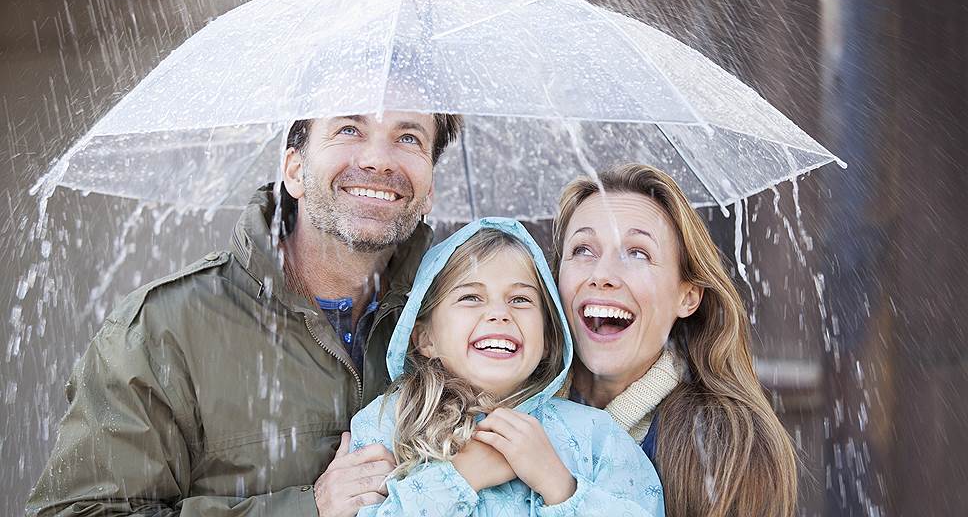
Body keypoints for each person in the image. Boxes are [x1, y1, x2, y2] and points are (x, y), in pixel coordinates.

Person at [26, 111, 462, 517]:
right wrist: (309, 509)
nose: (378, 160)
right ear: (295, 170)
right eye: (349, 129)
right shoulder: (164, 328)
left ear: (429, 188)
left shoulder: (466, 325)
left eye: (409, 138)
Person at [349, 218, 665, 516]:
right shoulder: (390, 424)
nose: (499, 314)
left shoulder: (597, 436)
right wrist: (461, 477)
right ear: (425, 338)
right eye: (471, 297)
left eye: (520, 300)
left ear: (548, 339)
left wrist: (559, 486)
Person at [552, 164, 798, 516]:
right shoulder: (514, 413)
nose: (602, 274)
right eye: (582, 250)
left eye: (638, 253)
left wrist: (565, 494)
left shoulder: (727, 446)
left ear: (687, 296)